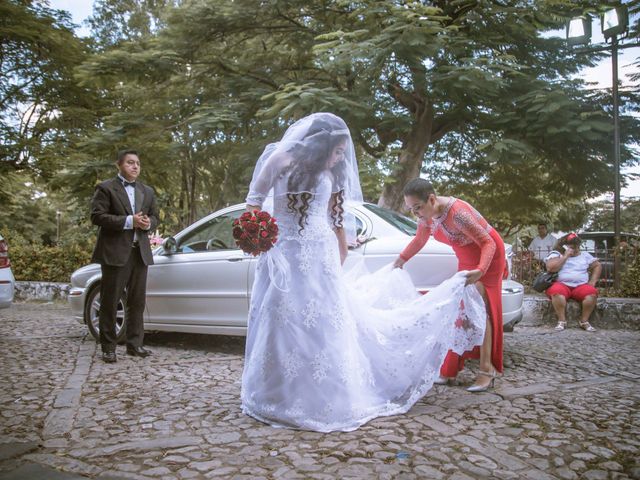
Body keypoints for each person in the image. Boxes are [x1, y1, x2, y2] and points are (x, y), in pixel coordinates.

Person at [240, 113, 486, 432]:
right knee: (280, 321)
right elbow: (253, 204)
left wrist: (340, 252)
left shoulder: (332, 173)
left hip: (319, 254)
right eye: (338, 151)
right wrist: (258, 235)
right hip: (281, 253)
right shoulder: (279, 160)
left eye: (343, 152)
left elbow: (336, 220)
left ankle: (323, 394)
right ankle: (275, 393)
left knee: (320, 324)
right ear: (319, 145)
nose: (341, 157)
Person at [393, 179, 506, 392]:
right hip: (466, 258)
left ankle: (486, 370)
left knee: (480, 310)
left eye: (418, 207)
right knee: (459, 309)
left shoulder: (458, 213)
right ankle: (450, 369)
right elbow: (419, 240)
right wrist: (400, 260)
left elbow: (488, 242)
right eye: (411, 209)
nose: (416, 213)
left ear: (432, 199)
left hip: (488, 257)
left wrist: (481, 270)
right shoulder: (426, 216)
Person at [90, 149, 159, 363]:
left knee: (137, 302)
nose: (135, 166)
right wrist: (129, 221)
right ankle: (108, 348)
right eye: (130, 162)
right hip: (115, 254)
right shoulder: (105, 188)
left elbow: (155, 217)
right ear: (119, 165)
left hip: (140, 253)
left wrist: (149, 223)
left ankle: (135, 345)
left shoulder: (147, 191)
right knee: (110, 302)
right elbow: (97, 216)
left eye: (137, 163)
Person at [544, 232, 601, 332]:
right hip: (562, 284)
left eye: (577, 247)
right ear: (565, 246)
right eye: (572, 247)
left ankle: (584, 321)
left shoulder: (585, 255)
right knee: (556, 292)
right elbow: (551, 268)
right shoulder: (556, 254)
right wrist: (565, 257)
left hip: (580, 286)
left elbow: (597, 266)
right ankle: (562, 321)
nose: (575, 249)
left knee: (592, 294)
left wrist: (592, 281)